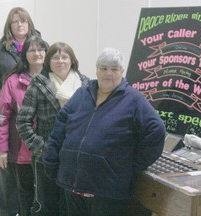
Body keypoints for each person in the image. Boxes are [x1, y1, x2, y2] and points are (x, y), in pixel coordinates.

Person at [43, 48, 166, 216]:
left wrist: (130, 165)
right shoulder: (82, 93)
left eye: (114, 69)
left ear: (122, 72)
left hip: (106, 191)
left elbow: (157, 130)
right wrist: (51, 160)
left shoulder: (134, 99)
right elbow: (59, 128)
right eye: (104, 68)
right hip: (72, 185)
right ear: (96, 70)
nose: (108, 73)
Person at [16, 42, 89, 216]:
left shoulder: (86, 85)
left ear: (72, 61)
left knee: (72, 206)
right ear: (48, 61)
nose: (61, 61)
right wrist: (41, 147)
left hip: (76, 157)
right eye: (56, 57)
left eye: (65, 57)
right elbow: (22, 122)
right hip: (46, 157)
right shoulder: (39, 84)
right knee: (46, 205)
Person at [0, 7, 40, 216]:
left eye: (23, 21)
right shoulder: (0, 49)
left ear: (29, 23)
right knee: (7, 169)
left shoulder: (40, 46)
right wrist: (2, 97)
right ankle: (8, 211)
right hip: (5, 120)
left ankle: (30, 209)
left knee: (31, 171)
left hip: (34, 122)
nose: (20, 25)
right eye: (15, 22)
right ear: (9, 25)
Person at [0, 36, 48, 216]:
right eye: (31, 50)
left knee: (47, 198)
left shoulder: (54, 79)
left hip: (49, 151)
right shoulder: (13, 81)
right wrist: (1, 149)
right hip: (23, 153)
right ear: (25, 55)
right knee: (25, 196)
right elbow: (1, 116)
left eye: (40, 49)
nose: (37, 54)